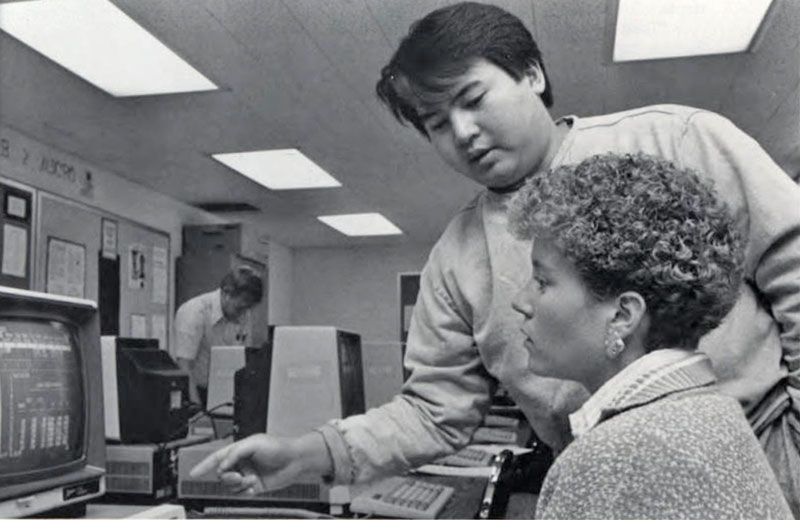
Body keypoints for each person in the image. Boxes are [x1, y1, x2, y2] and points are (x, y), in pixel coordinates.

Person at [191, 2, 800, 513]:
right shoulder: (457, 258)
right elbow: (435, 409)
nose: (463, 132)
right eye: (435, 123)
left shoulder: (676, 140)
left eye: (473, 98)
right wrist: (308, 452)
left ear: (531, 74)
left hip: (769, 440)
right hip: (604, 472)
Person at [508, 152, 792, 519]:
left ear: (624, 315)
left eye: (542, 281)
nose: (520, 301)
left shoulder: (615, 458)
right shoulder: (711, 413)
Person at [173, 265, 263, 406]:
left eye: (247, 308)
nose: (243, 314)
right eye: (240, 308)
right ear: (227, 293)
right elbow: (184, 366)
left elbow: (240, 359)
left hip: (225, 392)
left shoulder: (243, 313)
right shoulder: (194, 312)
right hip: (194, 391)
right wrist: (197, 411)